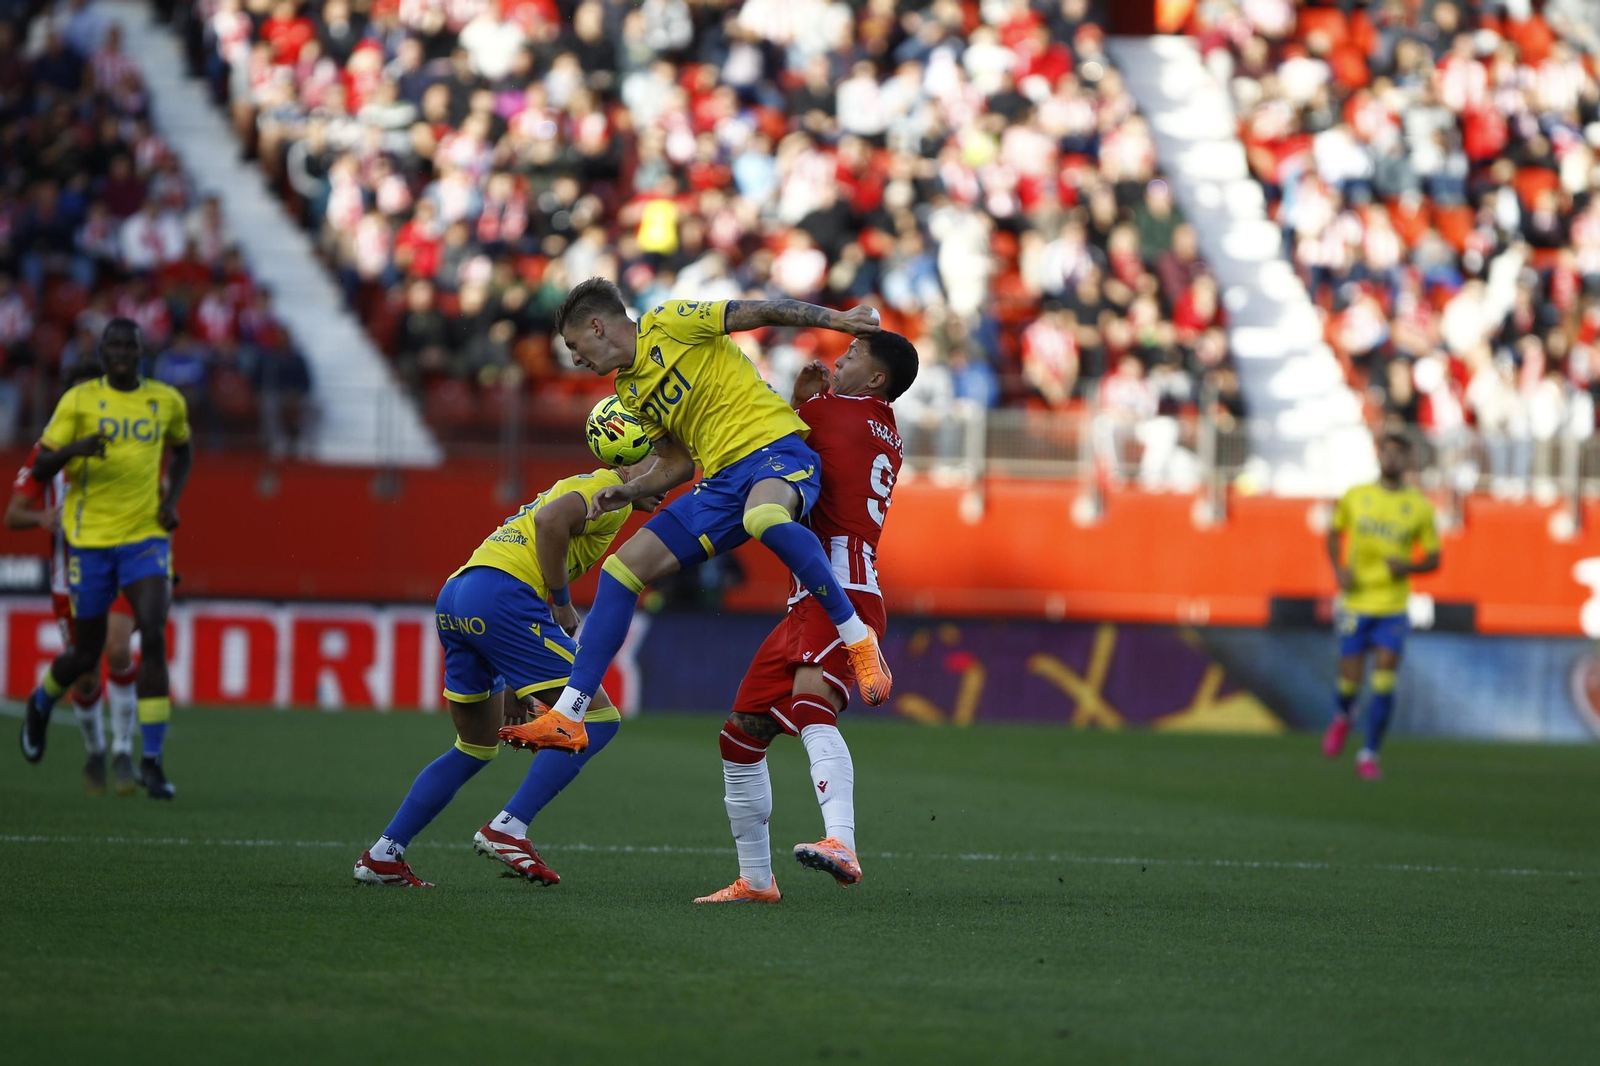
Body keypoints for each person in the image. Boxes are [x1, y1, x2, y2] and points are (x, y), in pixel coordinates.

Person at [504, 280, 893, 757]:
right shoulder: (629, 390)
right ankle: (569, 714)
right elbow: (677, 464)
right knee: (621, 570)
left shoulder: (670, 322)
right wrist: (630, 490)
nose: (574, 358)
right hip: (722, 482)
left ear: (597, 326)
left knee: (764, 517)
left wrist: (838, 320)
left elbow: (760, 311)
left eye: (573, 344)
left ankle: (856, 637)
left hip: (775, 450)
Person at [354, 461, 666, 888]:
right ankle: (509, 826)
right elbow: (550, 521)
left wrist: (517, 684)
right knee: (597, 717)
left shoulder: (580, 484)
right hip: (504, 596)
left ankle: (383, 855)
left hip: (459, 594)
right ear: (628, 461)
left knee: (475, 746)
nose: (668, 479)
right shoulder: (611, 493)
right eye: (660, 464)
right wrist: (561, 602)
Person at [696, 331, 917, 904]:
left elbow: (766, 438)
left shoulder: (831, 413)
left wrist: (800, 401)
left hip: (839, 591)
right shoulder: (881, 427)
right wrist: (808, 403)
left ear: (876, 379)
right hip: (819, 592)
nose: (839, 359)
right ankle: (756, 881)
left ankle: (842, 841)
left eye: (853, 355)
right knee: (741, 734)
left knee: (811, 702)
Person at [18, 320, 192, 800]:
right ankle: (42, 701)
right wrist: (76, 448)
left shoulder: (165, 401)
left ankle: (150, 761)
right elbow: (40, 466)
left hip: (145, 539)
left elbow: (184, 451)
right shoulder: (77, 402)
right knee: (86, 655)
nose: (121, 352)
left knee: (151, 632)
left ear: (141, 352)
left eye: (128, 346)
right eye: (112, 345)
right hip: (91, 542)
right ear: (102, 352)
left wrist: (171, 501)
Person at [5, 359, 138, 795]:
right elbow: (13, 514)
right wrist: (43, 516)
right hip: (71, 580)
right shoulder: (48, 453)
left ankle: (123, 750)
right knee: (85, 674)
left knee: (117, 648)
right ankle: (95, 750)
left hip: (119, 568)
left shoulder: (122, 440)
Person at [1322, 434, 1441, 780]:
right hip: (1356, 602)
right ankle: (1344, 715)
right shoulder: (1356, 496)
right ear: (1378, 456)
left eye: (1398, 454)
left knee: (1384, 681)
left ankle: (1369, 753)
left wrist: (1409, 566)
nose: (1392, 459)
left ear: (1408, 460)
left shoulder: (1418, 506)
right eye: (1387, 453)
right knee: (1349, 682)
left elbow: (1435, 557)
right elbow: (1333, 533)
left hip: (1392, 606)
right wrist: (1338, 569)